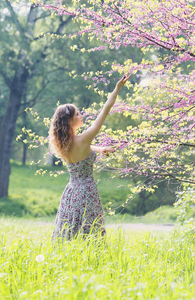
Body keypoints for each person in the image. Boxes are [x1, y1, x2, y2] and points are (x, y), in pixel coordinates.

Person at [49, 74, 131, 240]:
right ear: (70, 120)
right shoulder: (84, 138)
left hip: (71, 191)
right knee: (90, 230)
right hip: (86, 191)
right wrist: (117, 88)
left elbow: (82, 148)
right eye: (78, 114)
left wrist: (100, 149)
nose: (81, 116)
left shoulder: (63, 144)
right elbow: (105, 110)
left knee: (71, 228)